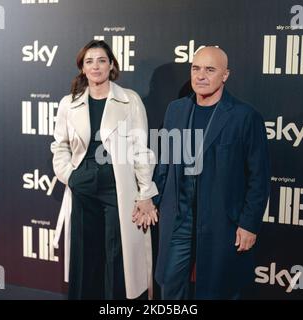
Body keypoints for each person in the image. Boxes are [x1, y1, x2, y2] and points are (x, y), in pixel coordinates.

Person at [151, 46, 270, 299]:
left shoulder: (245, 116)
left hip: (222, 221)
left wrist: (249, 224)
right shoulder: (176, 110)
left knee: (218, 289)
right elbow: (165, 163)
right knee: (169, 284)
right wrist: (152, 198)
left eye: (210, 69)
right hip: (178, 219)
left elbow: (258, 178)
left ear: (225, 75)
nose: (201, 75)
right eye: (196, 68)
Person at [50, 40, 158, 300]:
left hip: (117, 184)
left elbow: (140, 148)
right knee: (84, 253)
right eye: (89, 61)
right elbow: (60, 145)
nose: (95, 66)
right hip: (83, 181)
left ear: (111, 65)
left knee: (116, 253)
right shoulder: (69, 103)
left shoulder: (129, 100)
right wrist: (70, 176)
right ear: (82, 69)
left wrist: (145, 192)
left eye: (101, 60)